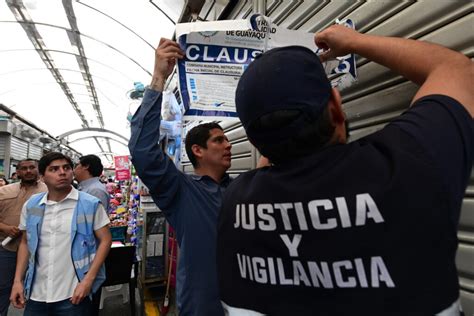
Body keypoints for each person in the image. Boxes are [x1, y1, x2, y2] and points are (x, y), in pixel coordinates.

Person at [217, 25, 473, 315]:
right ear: (337, 108)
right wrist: (355, 41)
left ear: (253, 143)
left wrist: (275, 135)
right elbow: (455, 68)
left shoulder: (234, 204)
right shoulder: (407, 164)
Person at [128, 38, 232, 315]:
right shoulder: (183, 191)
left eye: (228, 140)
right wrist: (159, 77)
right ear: (197, 150)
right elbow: (143, 151)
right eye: (219, 141)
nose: (229, 145)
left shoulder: (243, 187)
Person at [10, 152, 112, 315]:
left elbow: (105, 240)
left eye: (66, 168)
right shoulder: (33, 205)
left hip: (72, 294)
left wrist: (88, 281)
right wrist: (17, 281)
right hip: (37, 293)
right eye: (54, 169)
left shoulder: (89, 204)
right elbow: (25, 242)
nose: (62, 172)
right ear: (42, 177)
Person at [0, 159, 47, 316]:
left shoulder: (49, 191)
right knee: (3, 288)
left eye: (32, 167)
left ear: (38, 170)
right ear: (18, 172)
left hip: (39, 251)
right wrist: (5, 228)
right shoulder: (4, 191)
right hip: (7, 248)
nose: (28, 171)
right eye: (24, 168)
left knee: (37, 290)